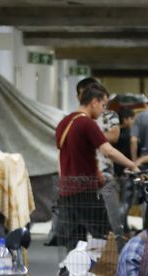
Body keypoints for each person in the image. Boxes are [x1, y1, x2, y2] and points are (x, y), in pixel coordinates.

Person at [52, 83, 137, 246]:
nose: (103, 110)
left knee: (75, 241)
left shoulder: (64, 123)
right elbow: (108, 151)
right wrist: (133, 165)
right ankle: (106, 271)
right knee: (105, 236)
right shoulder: (87, 123)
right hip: (86, 190)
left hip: (67, 190)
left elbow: (61, 157)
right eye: (103, 105)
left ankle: (71, 271)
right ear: (94, 102)